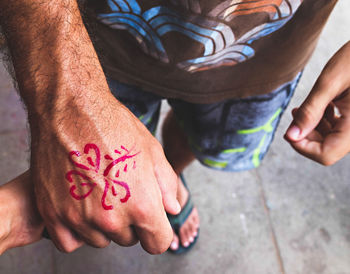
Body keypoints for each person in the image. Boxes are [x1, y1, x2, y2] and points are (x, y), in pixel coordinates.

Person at [0, 0, 349, 255]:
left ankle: (172, 174)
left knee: (204, 141)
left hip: (264, 59)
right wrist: (69, 100)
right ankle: (165, 186)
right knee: (134, 150)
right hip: (90, 45)